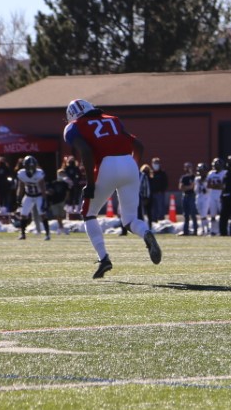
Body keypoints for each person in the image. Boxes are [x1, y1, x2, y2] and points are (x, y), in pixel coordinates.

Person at [63, 99, 162, 278]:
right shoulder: (113, 119)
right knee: (130, 220)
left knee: (89, 213)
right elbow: (139, 146)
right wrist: (132, 170)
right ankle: (146, 233)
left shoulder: (74, 127)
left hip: (105, 165)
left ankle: (104, 259)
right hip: (129, 163)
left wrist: (91, 184)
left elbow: (85, 151)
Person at [15, 155, 49, 240]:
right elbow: (21, 186)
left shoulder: (39, 173)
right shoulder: (22, 173)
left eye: (32, 166)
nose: (31, 168)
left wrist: (45, 199)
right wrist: (19, 197)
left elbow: (43, 187)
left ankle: (47, 234)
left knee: (43, 214)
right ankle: (23, 234)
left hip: (38, 195)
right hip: (28, 196)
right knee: (23, 214)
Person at [179, 161, 198, 236]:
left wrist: (187, 187)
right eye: (186, 167)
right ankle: (185, 231)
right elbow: (181, 187)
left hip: (192, 196)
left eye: (189, 167)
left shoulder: (194, 177)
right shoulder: (183, 177)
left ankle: (195, 230)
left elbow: (193, 187)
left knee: (193, 214)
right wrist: (188, 187)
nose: (187, 168)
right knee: (185, 215)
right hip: (185, 196)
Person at [147, 158, 169, 224]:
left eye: (156, 163)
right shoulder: (151, 173)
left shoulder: (162, 173)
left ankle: (161, 221)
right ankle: (153, 221)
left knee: (160, 208)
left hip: (160, 193)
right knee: (153, 209)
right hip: (152, 193)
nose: (155, 165)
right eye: (154, 163)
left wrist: (162, 190)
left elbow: (165, 183)